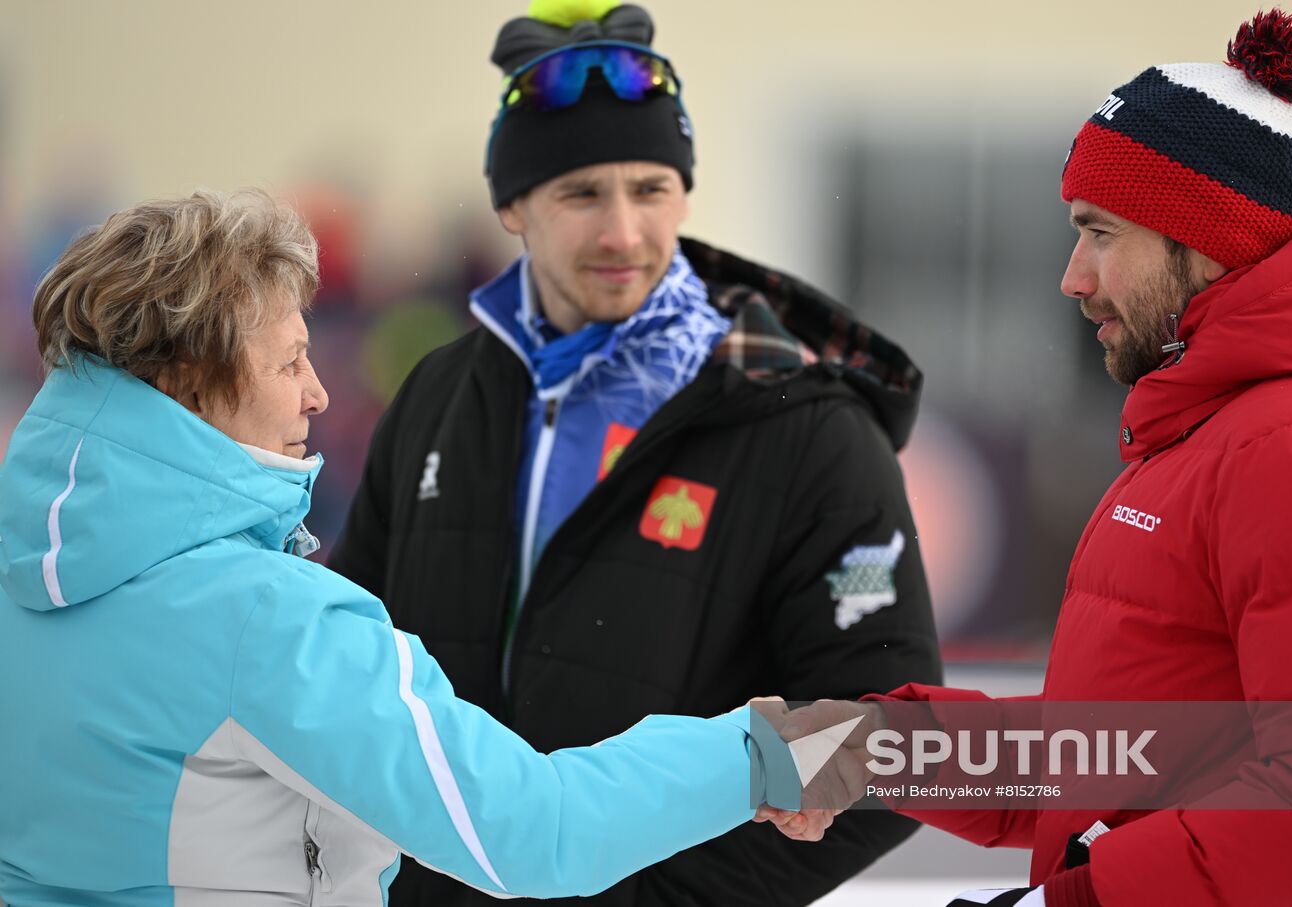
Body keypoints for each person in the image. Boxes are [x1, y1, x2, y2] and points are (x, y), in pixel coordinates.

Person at [0, 188, 823, 905]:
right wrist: (760, 755)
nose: (320, 392)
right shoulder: (265, 620)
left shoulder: (17, 582)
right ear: (188, 386)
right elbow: (540, 830)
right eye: (290, 362)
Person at [774, 9, 1292, 906]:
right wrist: (878, 747)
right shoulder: (1216, 432)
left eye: (1100, 232)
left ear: (1206, 239)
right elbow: (1127, 756)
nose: (1072, 276)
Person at [327, 1, 941, 904]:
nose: (622, 232)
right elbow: (350, 678)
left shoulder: (803, 427)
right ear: (511, 205)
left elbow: (891, 754)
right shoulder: (438, 396)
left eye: (650, 188)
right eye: (581, 193)